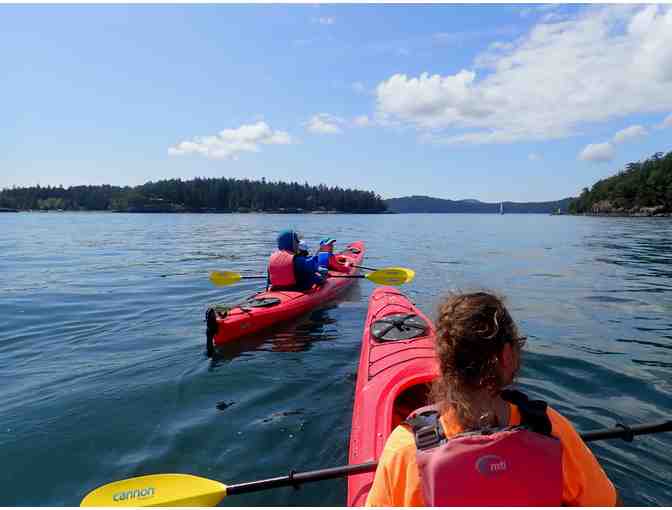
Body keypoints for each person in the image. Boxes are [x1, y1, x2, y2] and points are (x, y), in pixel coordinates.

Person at [366, 291, 619, 507]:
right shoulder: (549, 428)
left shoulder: (406, 447)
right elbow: (605, 503)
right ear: (506, 356)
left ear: (443, 363)